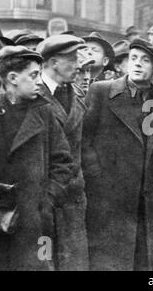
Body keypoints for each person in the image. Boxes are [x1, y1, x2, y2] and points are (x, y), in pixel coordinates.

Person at [82, 38, 153, 271]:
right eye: (133, 59)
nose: (138, 64)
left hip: (148, 197)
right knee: (109, 260)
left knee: (144, 262)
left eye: (145, 60)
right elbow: (84, 139)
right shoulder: (101, 91)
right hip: (108, 197)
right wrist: (96, 174)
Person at [0, 46, 73, 271]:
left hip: (39, 223)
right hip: (0, 220)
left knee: (42, 264)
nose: (39, 81)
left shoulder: (44, 112)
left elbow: (63, 161)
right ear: (12, 78)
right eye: (33, 75)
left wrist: (48, 200)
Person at [36, 35, 89, 271]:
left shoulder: (75, 96)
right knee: (43, 261)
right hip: (42, 202)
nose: (78, 65)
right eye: (72, 59)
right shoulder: (33, 96)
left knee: (74, 264)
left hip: (74, 200)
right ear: (54, 62)